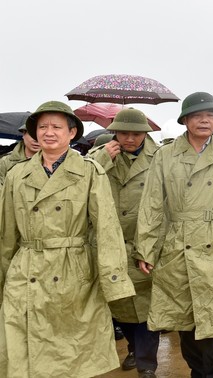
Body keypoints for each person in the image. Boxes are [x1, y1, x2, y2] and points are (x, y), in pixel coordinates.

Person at [0, 101, 135, 377]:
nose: (49, 133)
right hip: (25, 274)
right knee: (22, 355)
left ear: (72, 133)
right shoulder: (16, 175)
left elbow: (107, 230)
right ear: (34, 132)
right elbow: (7, 235)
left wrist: (114, 281)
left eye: (57, 127)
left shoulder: (89, 172)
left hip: (73, 272)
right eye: (43, 127)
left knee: (70, 357)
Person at [135, 92, 213, 377]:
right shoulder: (166, 155)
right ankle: (198, 372)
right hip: (179, 242)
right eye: (198, 115)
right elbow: (152, 203)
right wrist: (146, 249)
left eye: (210, 115)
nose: (205, 120)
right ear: (185, 120)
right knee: (185, 318)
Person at [88, 109, 160, 378]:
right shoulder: (100, 156)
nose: (130, 138)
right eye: (124, 132)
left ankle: (147, 364)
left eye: (136, 133)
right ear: (114, 132)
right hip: (111, 243)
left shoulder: (159, 157)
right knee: (119, 304)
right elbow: (83, 177)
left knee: (147, 306)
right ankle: (133, 347)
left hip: (146, 241)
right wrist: (103, 157)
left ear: (146, 133)